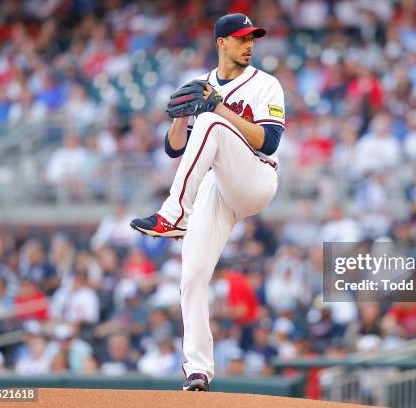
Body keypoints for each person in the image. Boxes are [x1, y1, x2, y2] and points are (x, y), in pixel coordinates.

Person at [130, 13, 284, 392]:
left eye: (253, 38)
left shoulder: (266, 84)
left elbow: (269, 141)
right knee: (193, 276)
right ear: (222, 43)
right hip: (217, 190)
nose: (249, 44)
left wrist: (217, 109)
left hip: (256, 177)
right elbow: (174, 148)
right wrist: (180, 118)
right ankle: (198, 371)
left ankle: (173, 215)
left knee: (214, 123)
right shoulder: (201, 86)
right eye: (241, 38)